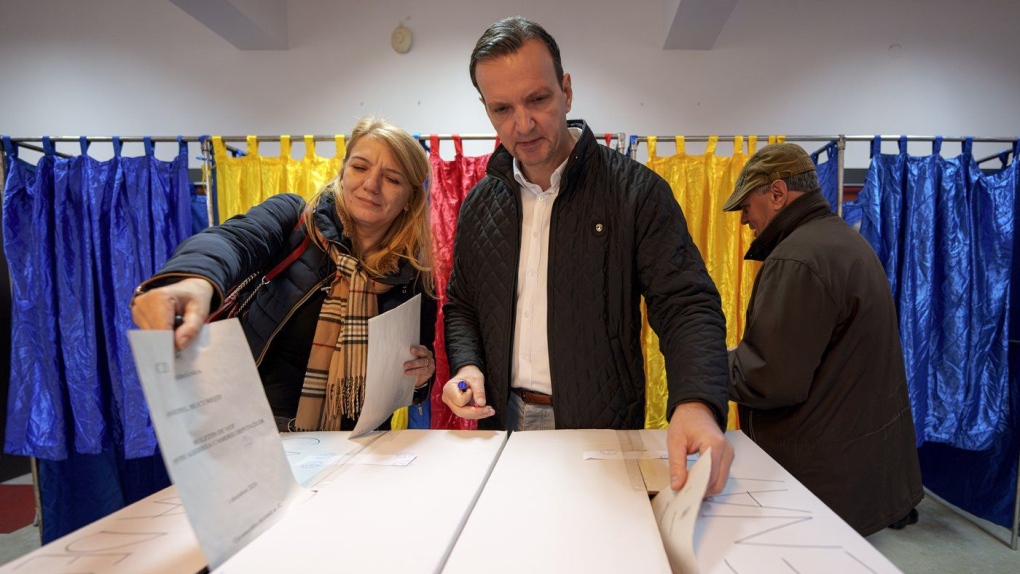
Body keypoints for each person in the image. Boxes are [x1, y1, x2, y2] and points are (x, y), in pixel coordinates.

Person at [441, 16, 733, 494]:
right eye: (502, 109)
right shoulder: (480, 204)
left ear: (567, 91)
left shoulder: (635, 193)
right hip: (502, 423)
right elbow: (463, 305)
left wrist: (697, 403)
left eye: (538, 99)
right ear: (486, 110)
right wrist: (469, 366)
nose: (523, 123)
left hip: (602, 431)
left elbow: (686, 304)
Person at [132, 116, 438, 433]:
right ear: (343, 172)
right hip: (256, 436)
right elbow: (233, 241)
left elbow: (409, 383)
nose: (371, 185)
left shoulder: (414, 277)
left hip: (356, 449)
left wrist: (421, 377)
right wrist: (195, 280)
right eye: (360, 167)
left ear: (409, 199)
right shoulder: (293, 220)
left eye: (392, 179)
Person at [723, 142, 923, 535]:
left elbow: (770, 379)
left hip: (818, 483)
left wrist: (706, 360)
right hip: (853, 471)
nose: (744, 218)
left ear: (777, 194)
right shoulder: (843, 242)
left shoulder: (797, 259)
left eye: (747, 204)